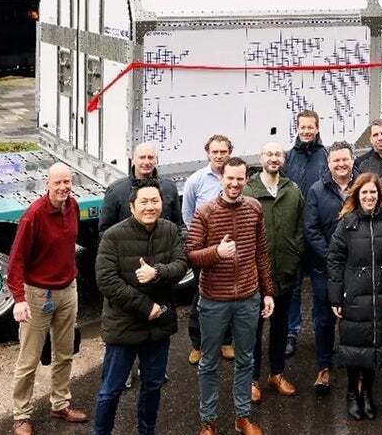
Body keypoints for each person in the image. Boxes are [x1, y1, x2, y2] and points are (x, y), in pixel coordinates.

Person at [185, 157, 275, 435]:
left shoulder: (254, 208)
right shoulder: (206, 211)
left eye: (240, 179)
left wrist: (268, 292)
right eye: (230, 179)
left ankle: (242, 417)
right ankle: (208, 421)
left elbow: (261, 253)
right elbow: (190, 255)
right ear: (221, 179)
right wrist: (216, 253)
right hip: (213, 300)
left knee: (246, 360)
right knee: (209, 363)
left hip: (248, 298)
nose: (235, 184)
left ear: (246, 180)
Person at [92, 180, 188, 435]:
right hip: (124, 325)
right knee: (110, 389)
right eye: (143, 202)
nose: (150, 207)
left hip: (158, 327)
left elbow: (181, 264)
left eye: (154, 201)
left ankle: (147, 431)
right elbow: (106, 280)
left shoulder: (169, 230)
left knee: (153, 385)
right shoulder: (114, 236)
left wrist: (157, 272)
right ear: (132, 207)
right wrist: (146, 307)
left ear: (162, 204)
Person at [8, 163, 89, 435]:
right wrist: (19, 298)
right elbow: (16, 261)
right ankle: (21, 415)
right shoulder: (34, 215)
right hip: (37, 295)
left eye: (67, 182)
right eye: (58, 183)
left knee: (65, 353)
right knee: (28, 360)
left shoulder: (73, 206)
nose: (63, 188)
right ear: (47, 184)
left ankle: (60, 404)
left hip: (68, 290)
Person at [327, 173, 382, 421]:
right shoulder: (347, 223)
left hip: (381, 296)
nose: (369, 197)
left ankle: (368, 393)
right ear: (357, 195)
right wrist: (335, 297)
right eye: (365, 193)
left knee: (374, 347)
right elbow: (335, 259)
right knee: (354, 348)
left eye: (373, 193)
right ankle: (353, 393)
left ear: (379, 195)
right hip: (354, 296)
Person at [242, 142, 304, 402]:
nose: (274, 158)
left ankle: (276, 373)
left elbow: (300, 228)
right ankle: (252, 379)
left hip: (285, 274)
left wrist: (294, 254)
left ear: (284, 159)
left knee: (280, 328)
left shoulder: (292, 191)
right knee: (252, 331)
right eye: (269, 154)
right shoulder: (249, 191)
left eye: (278, 154)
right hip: (255, 277)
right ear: (261, 157)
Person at [304, 141, 358, 395]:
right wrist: (331, 257)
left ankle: (354, 368)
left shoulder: (363, 187)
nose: (341, 164)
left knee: (354, 319)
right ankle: (324, 367)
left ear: (352, 160)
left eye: (345, 159)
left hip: (356, 268)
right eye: (336, 160)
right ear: (328, 163)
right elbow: (311, 230)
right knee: (324, 319)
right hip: (324, 269)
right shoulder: (316, 190)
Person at [183, 135, 235, 365]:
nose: (219, 156)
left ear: (229, 153)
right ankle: (198, 344)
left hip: (230, 250)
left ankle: (226, 341)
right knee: (201, 297)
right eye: (215, 152)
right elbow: (188, 216)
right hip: (205, 251)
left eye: (223, 152)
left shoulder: (235, 178)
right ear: (207, 153)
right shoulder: (196, 181)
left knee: (229, 296)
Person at [283, 110, 329, 357]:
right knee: (294, 287)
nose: (307, 131)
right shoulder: (288, 157)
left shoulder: (326, 155)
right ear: (297, 128)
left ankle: (321, 329)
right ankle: (292, 331)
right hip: (294, 235)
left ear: (317, 127)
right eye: (303, 127)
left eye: (311, 127)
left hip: (319, 233)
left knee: (321, 287)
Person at [98, 142, 181, 235]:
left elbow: (177, 226)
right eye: (142, 157)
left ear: (156, 161)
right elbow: (105, 231)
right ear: (133, 160)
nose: (146, 162)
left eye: (150, 157)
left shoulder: (169, 187)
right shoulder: (116, 191)